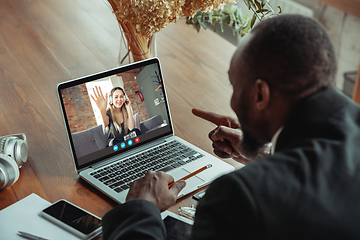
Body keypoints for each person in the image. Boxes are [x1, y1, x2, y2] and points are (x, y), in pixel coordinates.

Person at [102, 14, 360, 239]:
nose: (232, 101)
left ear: (261, 95)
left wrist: (140, 208)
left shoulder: (239, 197)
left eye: (235, 86)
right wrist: (266, 156)